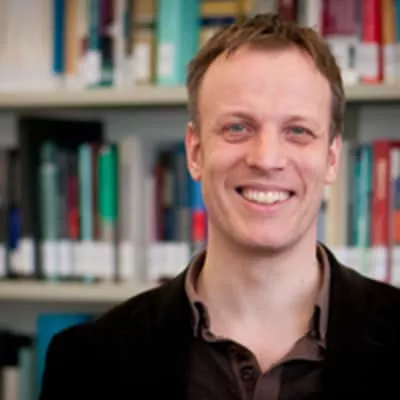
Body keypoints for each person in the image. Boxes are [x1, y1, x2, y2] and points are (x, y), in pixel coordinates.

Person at [39, 13, 400, 400]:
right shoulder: (87, 362)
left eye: (298, 131)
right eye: (238, 127)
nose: (266, 159)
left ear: (331, 158)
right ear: (195, 152)